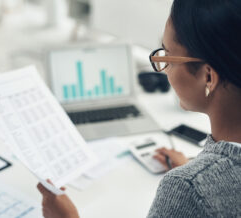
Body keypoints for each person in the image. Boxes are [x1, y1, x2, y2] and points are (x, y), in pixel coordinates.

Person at [37, 0, 241, 217]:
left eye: (168, 56)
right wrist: (200, 171)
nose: (165, 69)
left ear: (208, 77)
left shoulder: (186, 188)